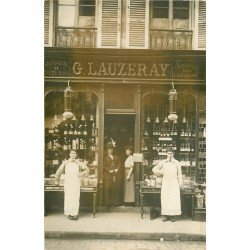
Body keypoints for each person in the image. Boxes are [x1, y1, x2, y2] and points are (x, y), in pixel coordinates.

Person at [54, 149, 89, 220]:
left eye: (74, 153)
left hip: (76, 182)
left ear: (76, 155)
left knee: (75, 198)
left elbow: (87, 169)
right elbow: (58, 172)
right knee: (68, 197)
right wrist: (56, 181)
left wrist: (81, 174)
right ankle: (69, 213)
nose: (73, 155)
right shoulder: (65, 163)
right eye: (72, 153)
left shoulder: (78, 163)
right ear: (69, 154)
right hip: (68, 182)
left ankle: (74, 214)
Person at [152, 150, 183, 222]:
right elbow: (154, 169)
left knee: (173, 199)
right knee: (165, 198)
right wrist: (161, 172)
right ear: (166, 154)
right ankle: (165, 216)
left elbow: (179, 174)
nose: (169, 155)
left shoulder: (177, 163)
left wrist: (180, 183)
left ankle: (172, 216)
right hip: (166, 182)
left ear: (173, 154)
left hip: (174, 183)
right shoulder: (163, 162)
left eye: (171, 153)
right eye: (168, 153)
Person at [103, 142, 122, 207]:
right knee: (108, 189)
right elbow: (103, 166)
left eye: (111, 149)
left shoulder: (116, 157)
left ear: (113, 150)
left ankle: (114, 203)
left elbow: (119, 163)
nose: (110, 150)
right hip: (108, 176)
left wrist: (117, 169)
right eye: (109, 149)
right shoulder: (104, 157)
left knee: (114, 189)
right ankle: (107, 203)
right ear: (107, 150)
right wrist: (109, 170)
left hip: (115, 175)